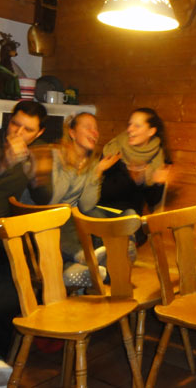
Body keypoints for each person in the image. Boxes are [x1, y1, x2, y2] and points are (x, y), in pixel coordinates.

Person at [0, 101, 48, 386]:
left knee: (20, 265)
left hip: (3, 227)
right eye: (16, 124)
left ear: (38, 134)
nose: (18, 132)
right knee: (13, 262)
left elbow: (44, 200)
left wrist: (36, 176)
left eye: (28, 130)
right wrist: (3, 164)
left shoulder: (31, 154)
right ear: (9, 120)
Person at [29, 112, 121, 287]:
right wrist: (70, 167)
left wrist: (97, 172)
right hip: (40, 215)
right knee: (63, 216)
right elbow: (51, 201)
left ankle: (74, 272)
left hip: (68, 221)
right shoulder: (54, 154)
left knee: (85, 215)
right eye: (88, 127)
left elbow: (87, 205)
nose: (94, 132)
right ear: (72, 133)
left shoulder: (90, 162)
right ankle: (87, 257)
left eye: (96, 129)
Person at [99, 108, 171, 222]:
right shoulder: (114, 149)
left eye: (137, 126)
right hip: (100, 212)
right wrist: (98, 170)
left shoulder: (156, 159)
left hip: (129, 218)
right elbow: (99, 192)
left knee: (130, 216)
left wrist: (157, 184)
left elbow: (153, 202)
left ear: (151, 132)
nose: (129, 129)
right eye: (129, 124)